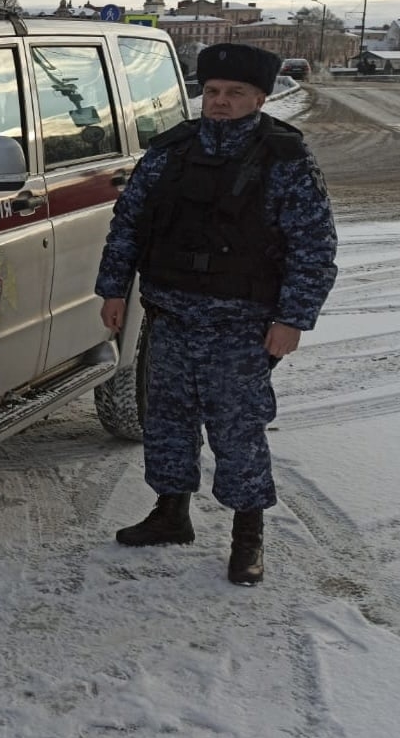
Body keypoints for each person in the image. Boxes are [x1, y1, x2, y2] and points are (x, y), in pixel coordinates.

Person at [95, 42, 337, 585]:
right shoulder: (170, 151)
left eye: (235, 93)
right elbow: (128, 223)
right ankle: (170, 512)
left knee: (237, 431)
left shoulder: (285, 159)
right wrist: (114, 289)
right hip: (170, 316)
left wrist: (293, 318)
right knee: (167, 421)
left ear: (259, 97)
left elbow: (313, 246)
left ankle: (247, 535)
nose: (220, 102)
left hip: (242, 324)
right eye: (212, 92)